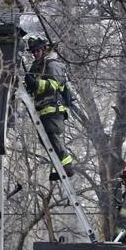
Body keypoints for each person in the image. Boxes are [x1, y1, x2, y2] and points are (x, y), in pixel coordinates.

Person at [23, 35, 75, 179]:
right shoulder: (36, 65)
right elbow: (31, 88)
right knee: (45, 140)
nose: (34, 53)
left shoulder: (52, 64)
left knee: (52, 136)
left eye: (37, 50)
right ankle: (61, 168)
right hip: (43, 110)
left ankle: (67, 167)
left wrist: (35, 84)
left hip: (53, 109)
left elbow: (54, 85)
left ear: (44, 48)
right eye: (33, 52)